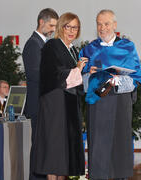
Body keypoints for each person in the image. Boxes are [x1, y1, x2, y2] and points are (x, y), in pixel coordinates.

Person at [79, 10, 141, 180]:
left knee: (119, 146)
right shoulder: (88, 50)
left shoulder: (128, 47)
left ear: (115, 25)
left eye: (106, 23)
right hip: (98, 103)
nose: (102, 28)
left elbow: (135, 78)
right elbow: (80, 82)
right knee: (98, 147)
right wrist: (89, 75)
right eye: (99, 24)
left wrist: (117, 81)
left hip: (120, 102)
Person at [32, 12, 87, 180]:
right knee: (54, 153)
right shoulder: (52, 46)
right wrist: (77, 69)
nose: (71, 31)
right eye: (68, 26)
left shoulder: (72, 50)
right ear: (61, 27)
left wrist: (84, 72)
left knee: (64, 156)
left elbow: (74, 79)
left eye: (75, 27)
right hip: (55, 105)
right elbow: (53, 74)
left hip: (67, 105)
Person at [22, 8, 58, 180]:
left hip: (45, 104)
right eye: (51, 25)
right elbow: (36, 74)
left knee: (44, 148)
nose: (53, 29)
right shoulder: (33, 44)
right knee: (38, 149)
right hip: (39, 104)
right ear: (41, 22)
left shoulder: (43, 44)